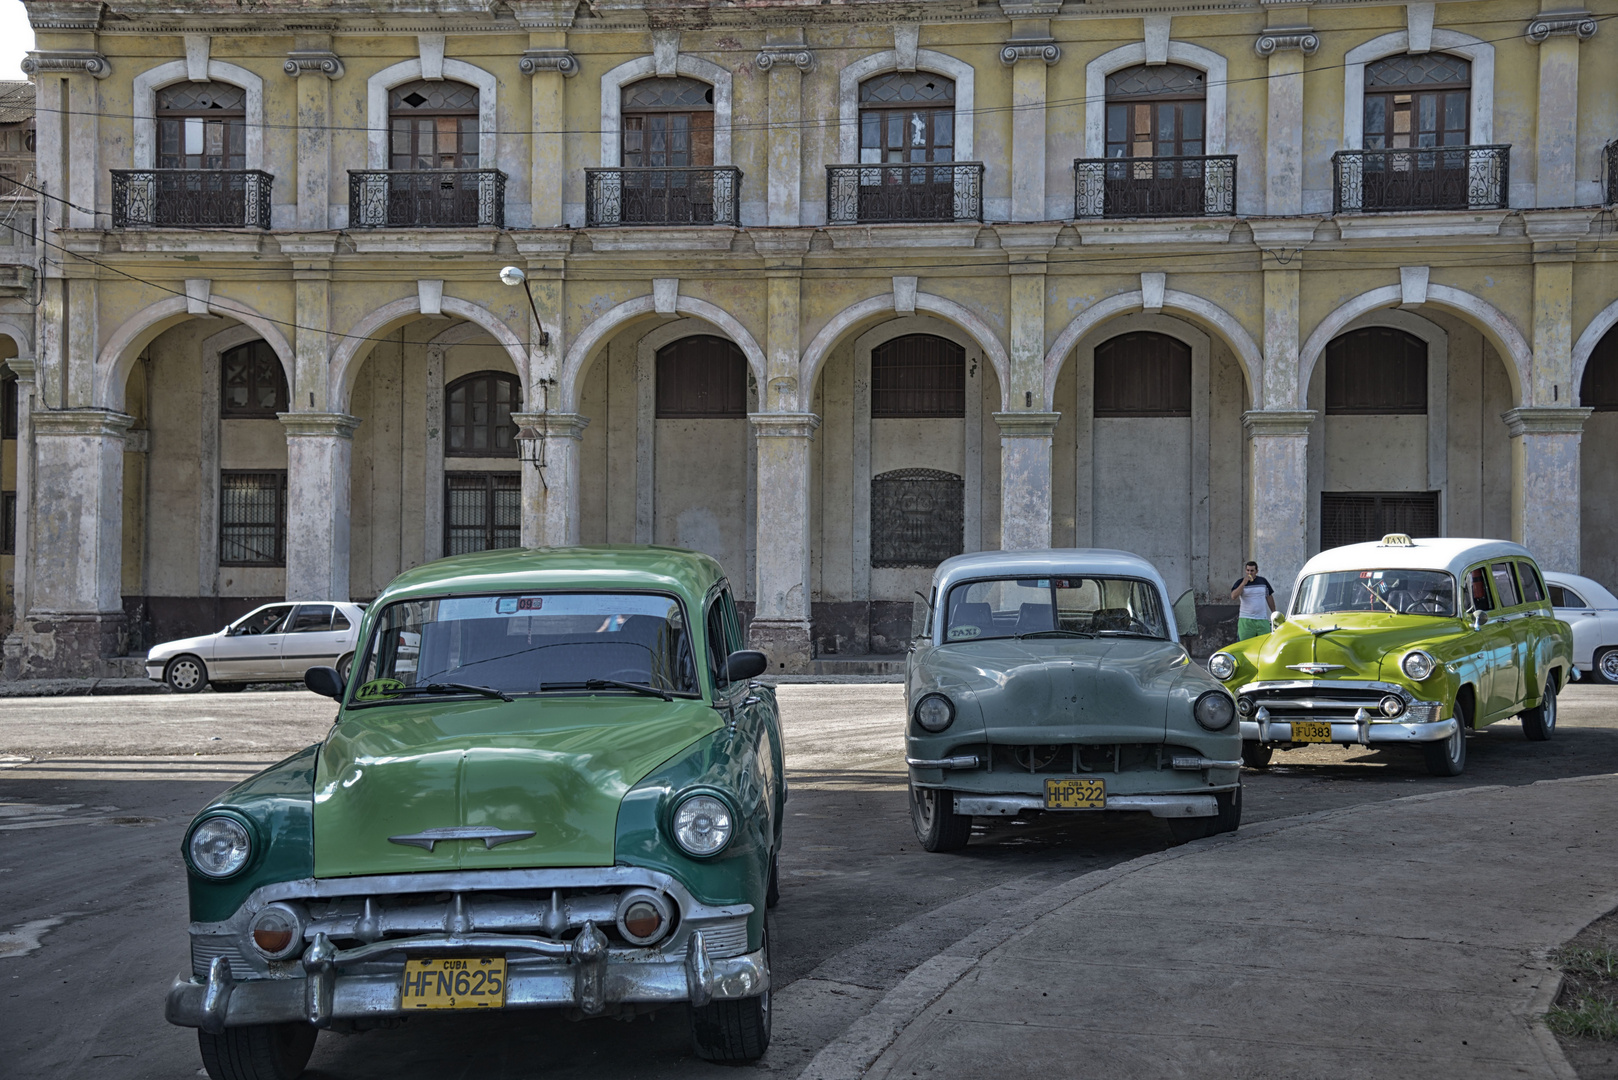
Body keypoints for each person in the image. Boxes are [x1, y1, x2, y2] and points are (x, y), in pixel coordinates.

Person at [1230, 560, 1276, 640]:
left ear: (1257, 571)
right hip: (1246, 620)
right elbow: (1233, 596)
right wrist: (1243, 584)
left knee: (1265, 642)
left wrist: (1274, 612)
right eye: (1247, 570)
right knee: (1245, 645)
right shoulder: (1240, 582)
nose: (1249, 573)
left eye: (1252, 571)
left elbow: (1269, 596)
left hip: (1262, 619)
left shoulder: (1263, 581)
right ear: (1245, 571)